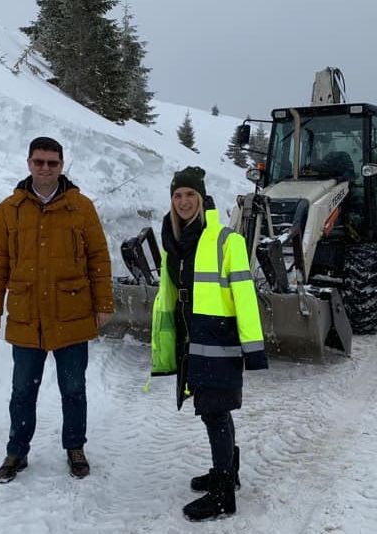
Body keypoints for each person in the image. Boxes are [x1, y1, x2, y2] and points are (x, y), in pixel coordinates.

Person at [0, 136, 114, 483]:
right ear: (29, 163)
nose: (45, 168)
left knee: (74, 389)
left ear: (61, 166)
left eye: (52, 163)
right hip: (27, 315)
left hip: (72, 313)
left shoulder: (81, 207)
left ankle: (75, 447)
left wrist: (104, 303)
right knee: (22, 391)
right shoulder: (9, 210)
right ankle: (17, 451)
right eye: (39, 162)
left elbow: (98, 259)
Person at [150, 166, 268, 521]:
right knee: (214, 409)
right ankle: (226, 472)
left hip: (217, 338)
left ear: (202, 199)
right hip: (192, 336)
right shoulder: (173, 240)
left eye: (190, 195)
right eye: (177, 195)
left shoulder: (226, 240)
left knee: (215, 411)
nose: (183, 201)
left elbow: (245, 296)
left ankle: (222, 496)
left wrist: (253, 346)